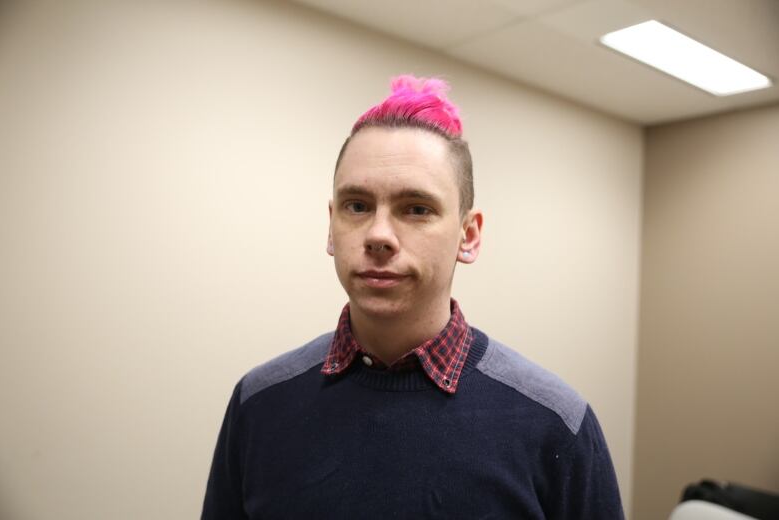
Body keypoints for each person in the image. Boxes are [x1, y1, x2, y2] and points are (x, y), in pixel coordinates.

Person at [201, 75, 624, 519]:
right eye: (358, 206)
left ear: (469, 235)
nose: (379, 235)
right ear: (331, 225)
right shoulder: (260, 403)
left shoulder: (553, 423)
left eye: (416, 209)